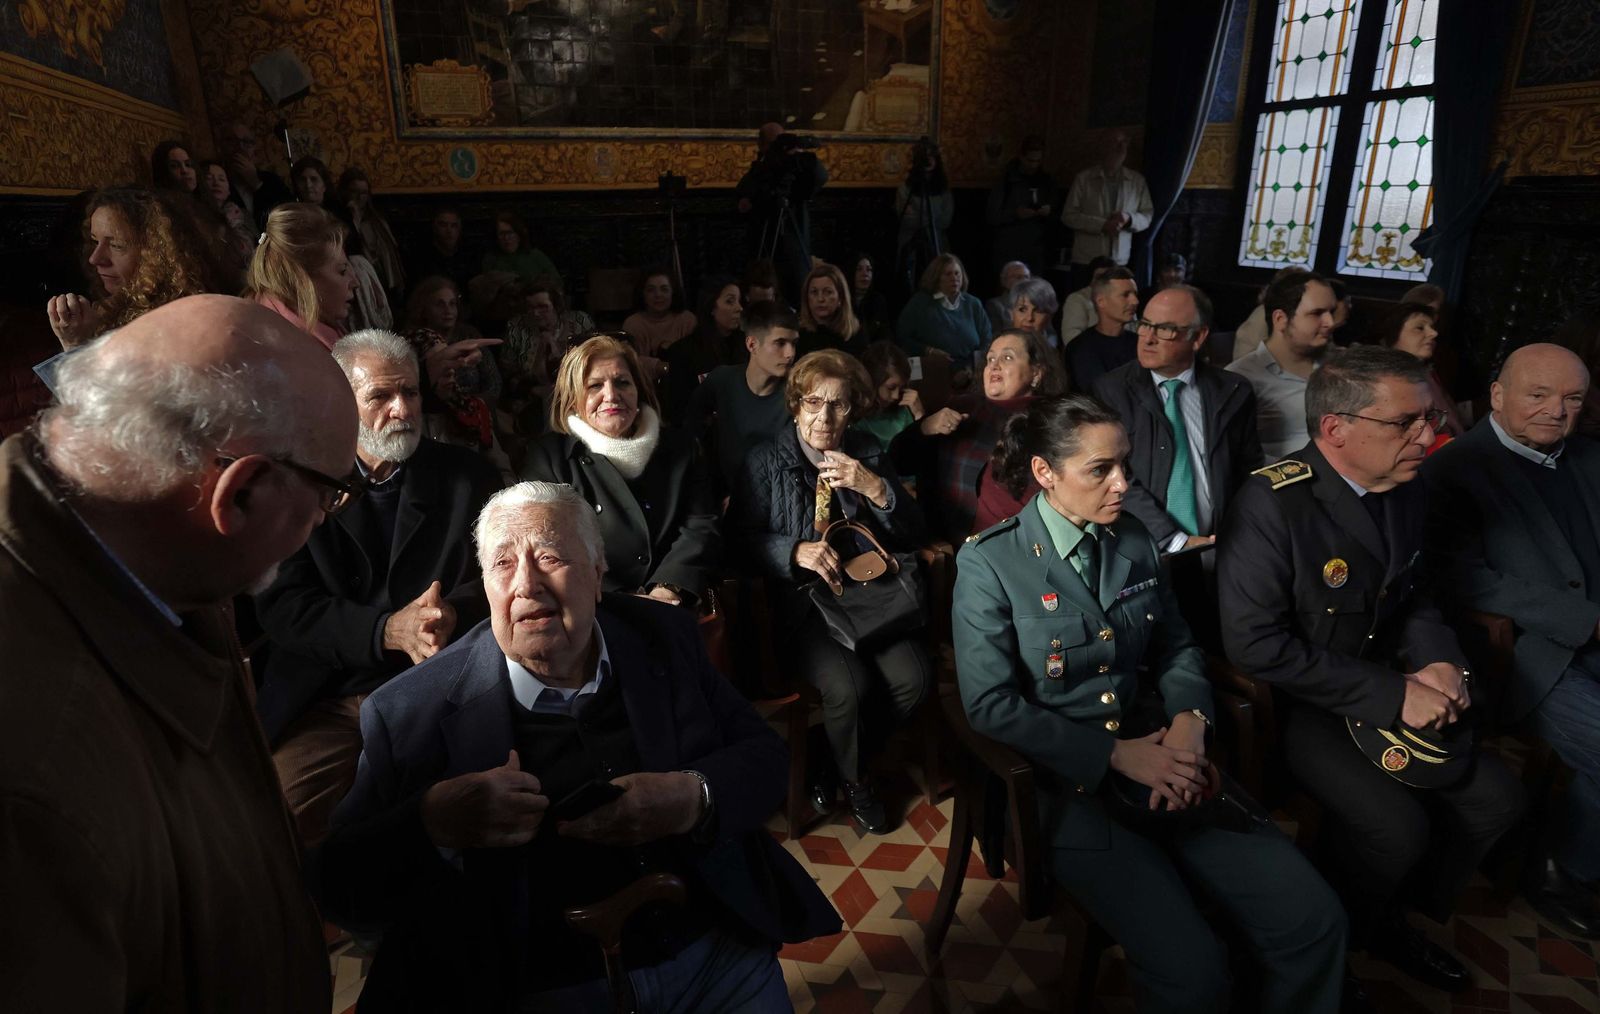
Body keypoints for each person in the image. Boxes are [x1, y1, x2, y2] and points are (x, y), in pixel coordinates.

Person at [313, 482, 841, 1011]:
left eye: (549, 555)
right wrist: (432, 822)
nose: (526, 584)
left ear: (597, 571)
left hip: (707, 953)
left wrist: (691, 798)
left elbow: (766, 760)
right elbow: (341, 885)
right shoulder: (410, 711)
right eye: (502, 564)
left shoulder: (665, 636)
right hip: (536, 985)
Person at [0, 294, 357, 1011]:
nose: (324, 523)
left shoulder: (157, 571)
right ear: (243, 491)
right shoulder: (33, 768)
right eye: (330, 499)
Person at [953, 395, 1348, 1014]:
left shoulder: (1133, 539)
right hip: (1067, 785)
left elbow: (1178, 648)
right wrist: (1114, 755)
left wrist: (1191, 722)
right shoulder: (990, 562)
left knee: (1313, 919)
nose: (1122, 485)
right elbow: (991, 707)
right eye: (1100, 470)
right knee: (1193, 973)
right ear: (1043, 472)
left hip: (1168, 755)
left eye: (1126, 466)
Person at [1217, 346, 1524, 992]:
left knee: (1498, 800)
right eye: (1406, 423)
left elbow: (1416, 594)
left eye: (1430, 418)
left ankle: (1383, 918)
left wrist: (1440, 660)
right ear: (1336, 429)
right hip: (1310, 703)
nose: (1429, 434)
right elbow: (1255, 647)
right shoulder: (1274, 503)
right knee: (1395, 827)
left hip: (1397, 680)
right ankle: (1331, 939)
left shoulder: (1408, 485)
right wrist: (1393, 693)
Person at [255, 328, 501, 846]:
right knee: (279, 821)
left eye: (409, 392)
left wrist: (452, 612)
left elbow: (505, 572)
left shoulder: (469, 477)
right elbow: (284, 607)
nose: (401, 409)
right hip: (331, 694)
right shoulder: (298, 481)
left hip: (446, 683)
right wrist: (386, 630)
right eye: (381, 397)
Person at [1423, 343, 1600, 939]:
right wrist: (1586, 619)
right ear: (1497, 396)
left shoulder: (1589, 458)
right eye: (1539, 395)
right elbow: (1461, 576)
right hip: (1526, 653)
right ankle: (1558, 867)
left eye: (1572, 398)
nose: (1557, 411)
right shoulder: (1454, 469)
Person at [730, 350, 933, 833]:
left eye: (839, 405)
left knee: (917, 680)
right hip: (806, 607)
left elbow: (913, 532)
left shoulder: (867, 450)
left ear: (853, 410)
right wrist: (793, 550)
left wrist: (876, 488)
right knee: (850, 687)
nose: (825, 417)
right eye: (814, 403)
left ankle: (828, 758)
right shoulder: (764, 461)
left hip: (871, 599)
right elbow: (736, 543)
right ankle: (857, 779)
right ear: (796, 406)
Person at [522, 335, 720, 607]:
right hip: (593, 607)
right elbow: (547, 543)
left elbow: (700, 525)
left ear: (638, 391)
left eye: (622, 382)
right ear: (573, 400)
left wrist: (668, 587)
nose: (611, 395)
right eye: (594, 386)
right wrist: (619, 599)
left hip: (673, 603)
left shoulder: (682, 447)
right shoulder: (548, 458)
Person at [1091, 284, 1262, 554]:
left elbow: (1248, 470)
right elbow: (1114, 476)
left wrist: (1242, 532)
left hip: (1224, 544)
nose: (1147, 338)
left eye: (1165, 330)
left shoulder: (1233, 391)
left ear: (1198, 337)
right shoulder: (1111, 391)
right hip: (1142, 545)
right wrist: (1174, 539)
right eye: (1145, 325)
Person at [44, 186, 225, 349]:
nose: (94, 258)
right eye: (94, 241)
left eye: (117, 245)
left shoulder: (181, 325)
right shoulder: (109, 309)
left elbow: (103, 387)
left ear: (158, 253)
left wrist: (76, 345)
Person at [957, 329, 1068, 534]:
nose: (994, 365)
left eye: (1007, 357)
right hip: (953, 542)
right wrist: (924, 427)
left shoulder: (1050, 422)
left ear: (1036, 373)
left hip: (1020, 541)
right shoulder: (962, 408)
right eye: (990, 359)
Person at [686, 300, 797, 494]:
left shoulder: (797, 393)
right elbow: (689, 428)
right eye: (780, 343)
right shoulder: (722, 380)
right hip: (721, 497)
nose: (790, 353)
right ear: (752, 344)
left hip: (778, 498)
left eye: (793, 344)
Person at [1226, 268, 1334, 460]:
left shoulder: (1335, 367)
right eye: (1317, 313)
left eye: (1331, 312)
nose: (1330, 322)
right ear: (1280, 319)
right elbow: (1233, 454)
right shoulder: (1241, 377)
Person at [735, 124, 827, 306]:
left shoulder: (796, 173)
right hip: (766, 257)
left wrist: (800, 158)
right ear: (761, 146)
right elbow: (745, 200)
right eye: (774, 144)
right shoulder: (757, 174)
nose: (781, 149)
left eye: (782, 143)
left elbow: (821, 177)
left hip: (795, 255)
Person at [244, 201, 358, 349]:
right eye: (342, 271)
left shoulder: (267, 310)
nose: (355, 282)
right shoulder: (302, 350)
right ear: (301, 279)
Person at [1369, 301, 1465, 447]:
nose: (1434, 333)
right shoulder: (1386, 381)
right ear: (1392, 335)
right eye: (1419, 328)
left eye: (1432, 327)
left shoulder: (1427, 374)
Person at [1060, 129, 1153, 272]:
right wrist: (1102, 225)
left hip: (1119, 260)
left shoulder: (1137, 181)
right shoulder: (1084, 179)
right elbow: (1069, 216)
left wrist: (1129, 219)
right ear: (1103, 146)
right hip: (1087, 260)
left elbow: (1147, 216)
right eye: (1115, 143)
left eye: (1124, 143)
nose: (1120, 148)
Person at [853, 340, 964, 449]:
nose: (896, 396)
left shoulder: (906, 408)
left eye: (901, 387)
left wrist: (920, 416)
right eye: (891, 388)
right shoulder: (857, 423)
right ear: (873, 382)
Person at [664, 278, 746, 418]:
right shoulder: (683, 352)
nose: (739, 308)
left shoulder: (747, 345)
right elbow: (678, 409)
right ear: (711, 308)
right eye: (730, 301)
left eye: (739, 301)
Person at [895, 253, 992, 362]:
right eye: (948, 274)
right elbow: (902, 337)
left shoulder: (973, 303)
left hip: (970, 370)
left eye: (957, 273)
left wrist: (973, 366)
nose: (954, 278)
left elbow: (986, 338)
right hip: (933, 369)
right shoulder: (920, 303)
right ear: (936, 277)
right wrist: (929, 351)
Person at [985, 135, 1056, 278]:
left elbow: (1058, 214)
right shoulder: (1006, 180)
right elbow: (992, 215)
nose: (1033, 165)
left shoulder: (1046, 181)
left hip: (1035, 246)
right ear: (1022, 157)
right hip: (1009, 247)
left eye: (1038, 161)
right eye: (1030, 160)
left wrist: (1049, 211)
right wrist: (1015, 214)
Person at [894, 137, 954, 295]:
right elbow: (906, 220)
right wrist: (929, 217)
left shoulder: (943, 189)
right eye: (924, 156)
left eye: (932, 156)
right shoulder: (906, 188)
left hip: (937, 246)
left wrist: (920, 215)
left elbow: (945, 220)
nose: (929, 160)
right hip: (910, 247)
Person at [1064, 266, 1139, 391]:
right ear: (1101, 301)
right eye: (1125, 295)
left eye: (1135, 294)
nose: (1135, 301)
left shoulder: (1139, 343)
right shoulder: (1081, 348)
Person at [339, 167, 406, 295]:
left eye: (364, 193)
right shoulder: (340, 219)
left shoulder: (377, 220)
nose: (359, 197)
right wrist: (354, 217)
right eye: (354, 192)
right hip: (358, 279)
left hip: (382, 278)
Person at [220, 120, 294, 228]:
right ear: (223, 146)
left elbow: (287, 215)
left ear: (254, 149)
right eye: (232, 141)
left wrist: (257, 184)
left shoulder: (272, 180)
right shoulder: (217, 181)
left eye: (246, 142)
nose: (240, 148)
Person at [622, 267, 698, 369]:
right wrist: (659, 367)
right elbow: (630, 361)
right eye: (651, 290)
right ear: (642, 293)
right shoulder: (633, 324)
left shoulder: (687, 320)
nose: (658, 295)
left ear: (673, 292)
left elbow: (697, 356)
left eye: (664, 289)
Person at [196, 158, 257, 268]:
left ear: (229, 189)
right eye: (209, 179)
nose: (216, 183)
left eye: (222, 179)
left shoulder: (242, 214)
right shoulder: (198, 217)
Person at [797, 261, 866, 358]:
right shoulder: (798, 334)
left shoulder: (854, 334)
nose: (820, 299)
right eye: (814, 292)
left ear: (841, 298)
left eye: (828, 292)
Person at [409, 206, 476, 293]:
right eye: (443, 225)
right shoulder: (423, 259)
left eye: (454, 226)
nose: (449, 231)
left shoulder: (468, 257)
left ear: (459, 229)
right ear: (435, 228)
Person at [482, 209, 559, 283]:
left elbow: (556, 281)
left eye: (510, 233)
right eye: (502, 234)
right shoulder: (491, 260)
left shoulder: (535, 256)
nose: (506, 238)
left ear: (518, 234)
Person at [1059, 255, 1117, 341]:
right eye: (1099, 277)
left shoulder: (1123, 298)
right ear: (1091, 279)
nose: (1103, 282)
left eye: (1108, 278)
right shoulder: (1077, 299)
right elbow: (1071, 337)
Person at [1006, 275, 1061, 349]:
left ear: (1049, 316)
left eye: (1038, 311)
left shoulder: (1053, 353)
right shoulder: (998, 348)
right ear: (1011, 313)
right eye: (1022, 309)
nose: (1029, 318)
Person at [849, 251, 893, 345]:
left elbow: (885, 333)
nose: (865, 274)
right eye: (859, 269)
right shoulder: (843, 299)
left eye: (869, 270)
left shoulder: (878, 300)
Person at [983, 260, 1032, 334]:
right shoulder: (994, 305)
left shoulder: (1038, 302)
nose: (1024, 281)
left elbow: (1050, 333)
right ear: (1004, 281)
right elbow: (997, 334)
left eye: (1026, 277)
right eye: (1018, 277)